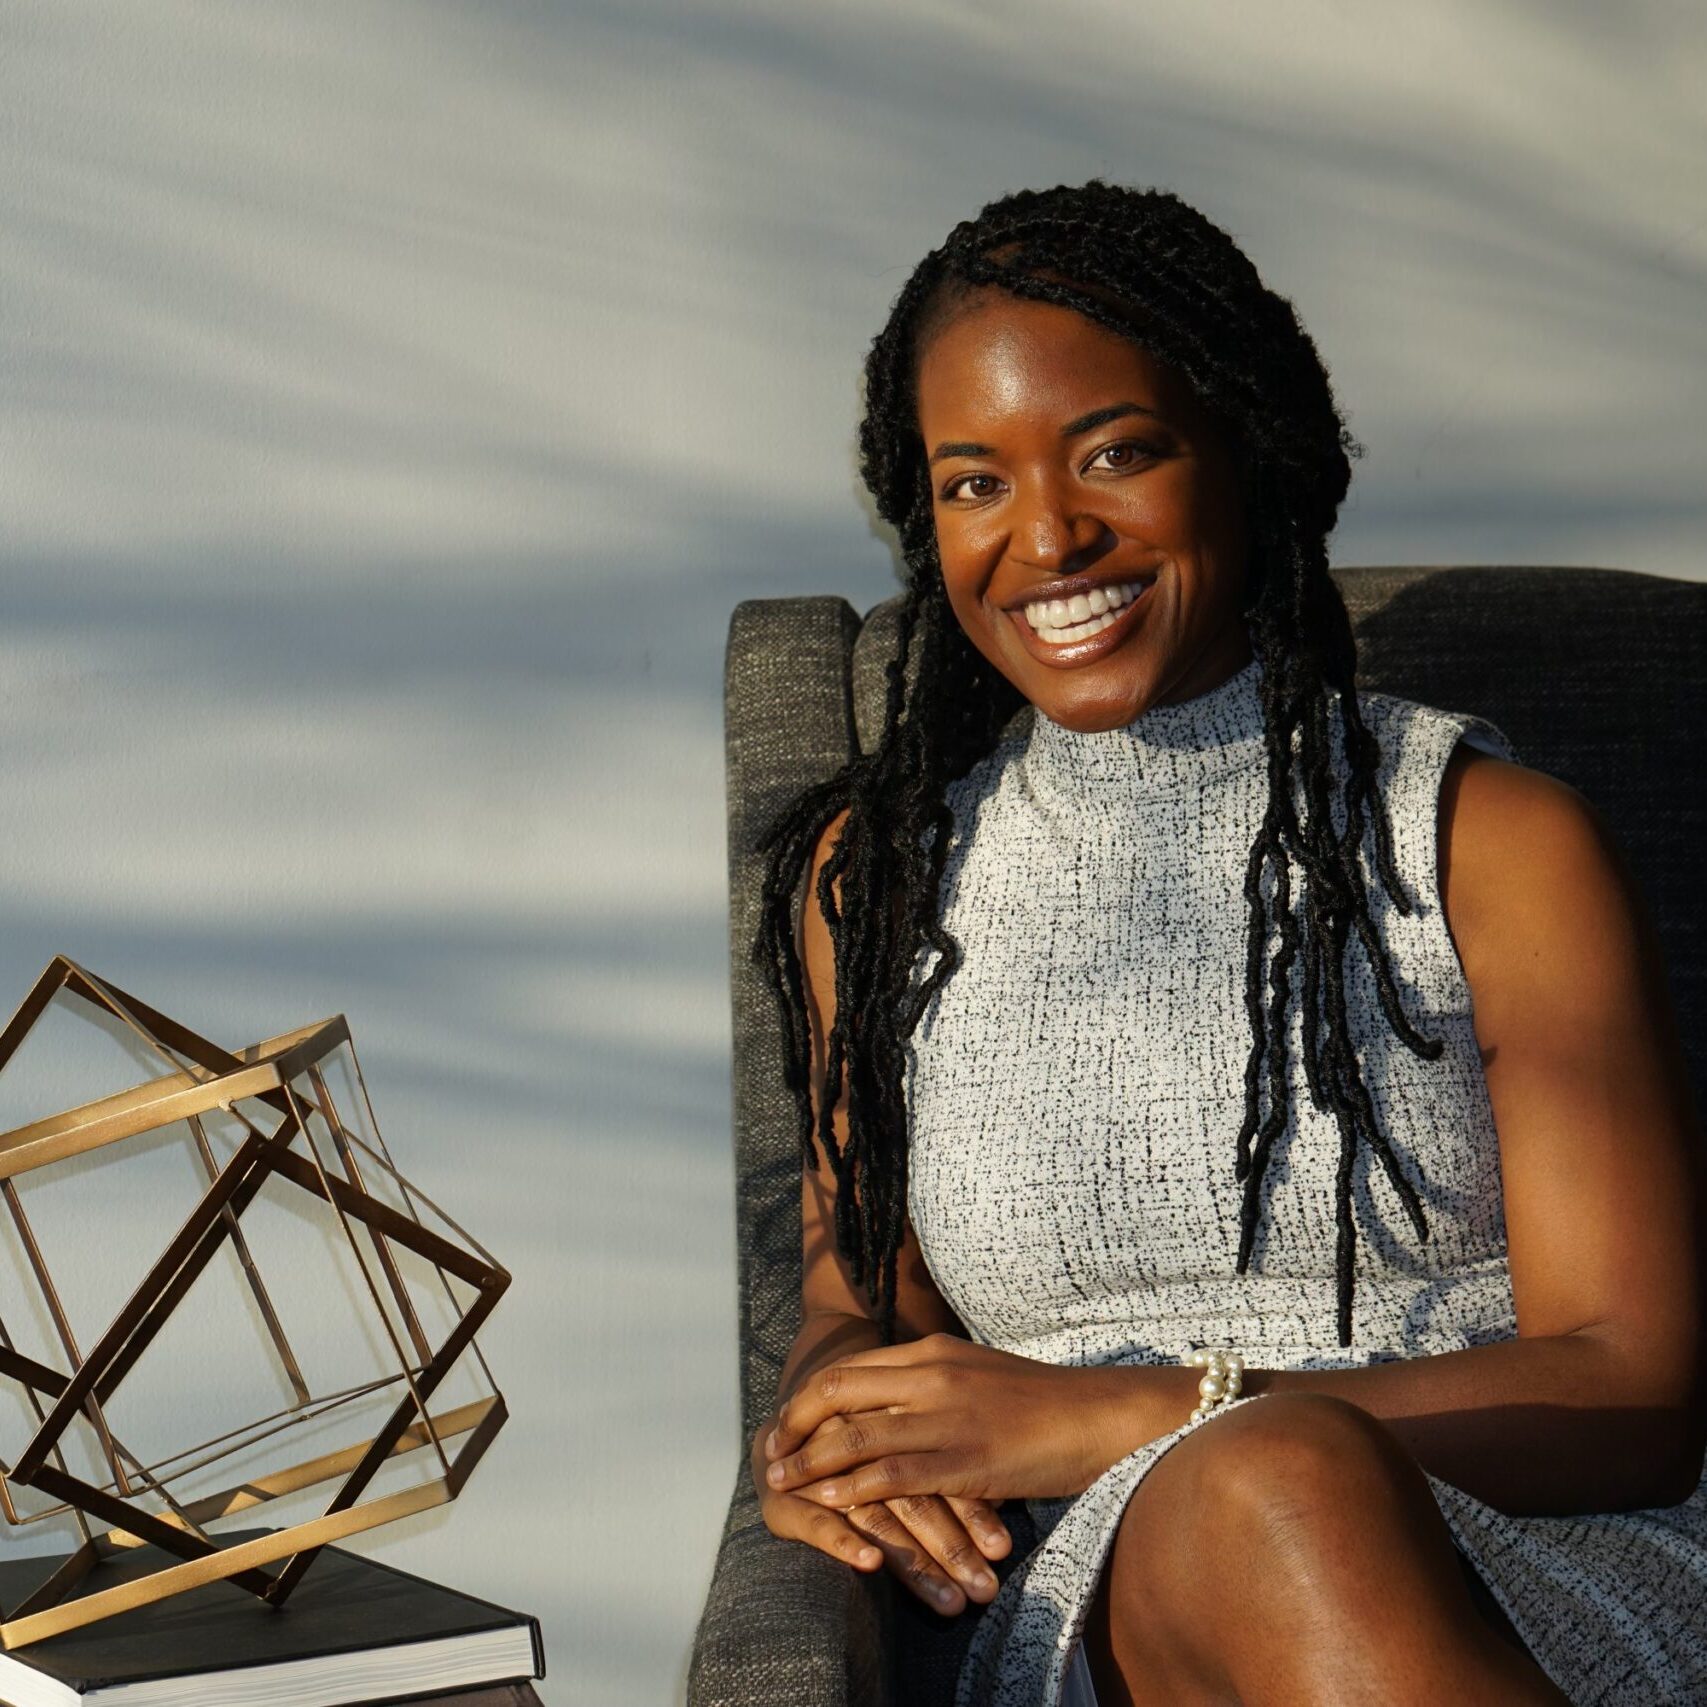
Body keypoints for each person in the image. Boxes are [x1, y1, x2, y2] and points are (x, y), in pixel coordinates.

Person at [745, 180, 1706, 1706]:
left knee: (1278, 1480)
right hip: (1106, 1605)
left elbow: (1636, 1393)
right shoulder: (879, 891)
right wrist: (826, 1429)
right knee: (1262, 1490)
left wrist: (1133, 1412)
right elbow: (857, 1300)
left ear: (1244, 456)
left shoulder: (1486, 839)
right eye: (973, 482)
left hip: (1535, 1559)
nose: (1049, 536)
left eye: (1116, 452)